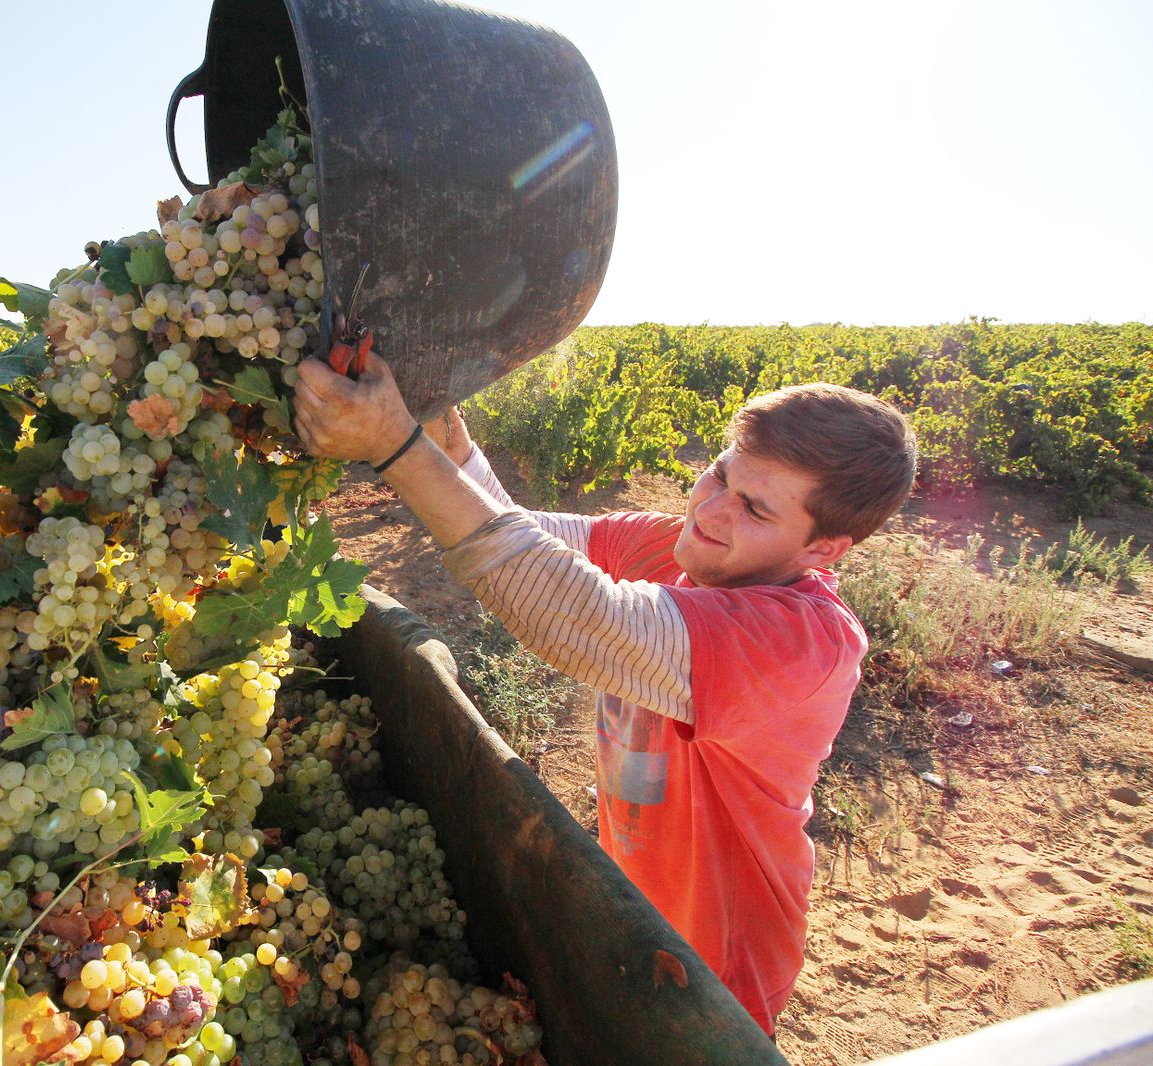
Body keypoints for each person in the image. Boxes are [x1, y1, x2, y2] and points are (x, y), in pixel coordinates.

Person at [292, 351, 917, 1035]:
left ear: (824, 549)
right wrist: (451, 446)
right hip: (636, 907)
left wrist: (397, 449)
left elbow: (579, 616)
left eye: (754, 508)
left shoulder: (802, 645)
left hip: (719, 963)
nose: (711, 508)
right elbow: (523, 535)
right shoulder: (685, 548)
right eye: (719, 473)